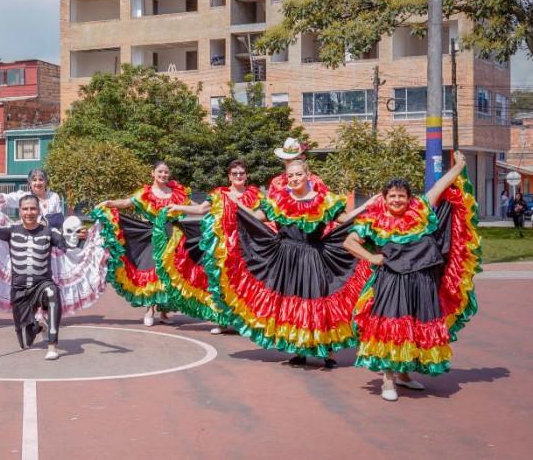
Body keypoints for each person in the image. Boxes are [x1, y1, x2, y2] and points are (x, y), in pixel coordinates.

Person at [210, 158, 376, 368]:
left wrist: (368, 204)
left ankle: (327, 352)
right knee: (293, 304)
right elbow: (253, 217)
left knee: (317, 303)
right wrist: (234, 204)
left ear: (308, 175)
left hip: (314, 257)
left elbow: (346, 218)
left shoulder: (324, 199)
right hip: (286, 259)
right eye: (290, 175)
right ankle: (299, 350)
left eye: (298, 174)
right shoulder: (278, 200)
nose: (295, 178)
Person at [344, 152, 480, 401]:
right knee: (391, 328)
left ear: (409, 198)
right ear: (385, 198)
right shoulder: (374, 219)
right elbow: (349, 242)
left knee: (415, 327)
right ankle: (388, 380)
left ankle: (405, 375)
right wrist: (372, 257)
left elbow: (440, 186)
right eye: (392, 196)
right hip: (392, 281)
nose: (397, 200)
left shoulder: (422, 208)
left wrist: (459, 166)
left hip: (422, 281)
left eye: (401, 196)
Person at [0, 195, 88, 359]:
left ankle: (52, 346)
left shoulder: (49, 232)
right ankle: (39, 326)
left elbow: (67, 246)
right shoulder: (12, 231)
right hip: (19, 289)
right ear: (20, 211)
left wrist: (81, 239)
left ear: (38, 211)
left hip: (42, 284)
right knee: (25, 342)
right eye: (25, 209)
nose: (29, 212)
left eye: (33, 208)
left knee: (52, 293)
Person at [94, 161, 207, 326]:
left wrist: (212, 207)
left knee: (171, 273)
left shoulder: (178, 192)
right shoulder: (145, 193)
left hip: (175, 237)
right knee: (155, 272)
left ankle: (164, 313)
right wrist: (108, 203)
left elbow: (196, 207)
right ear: (153, 173)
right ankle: (150, 310)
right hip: (154, 237)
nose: (163, 175)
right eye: (160, 171)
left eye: (166, 172)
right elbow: (126, 203)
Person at [195, 159, 263, 335]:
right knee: (222, 282)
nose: (238, 176)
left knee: (245, 284)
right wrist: (175, 208)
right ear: (229, 176)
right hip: (223, 246)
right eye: (235, 174)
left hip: (247, 245)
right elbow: (201, 210)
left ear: (246, 176)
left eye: (241, 173)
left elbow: (261, 217)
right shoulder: (219, 194)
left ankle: (245, 321)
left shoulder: (255, 195)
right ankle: (222, 321)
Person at [0, 168, 65, 227]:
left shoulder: (54, 196)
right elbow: (4, 198)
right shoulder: (24, 197)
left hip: (50, 239)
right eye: (34, 180)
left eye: (41, 179)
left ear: (45, 182)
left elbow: (59, 219)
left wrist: (45, 222)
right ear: (30, 184)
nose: (38, 183)